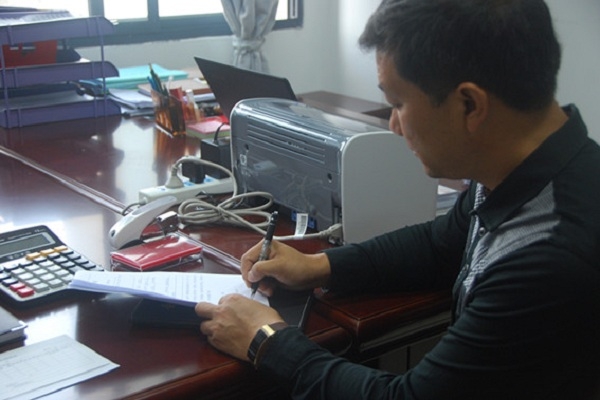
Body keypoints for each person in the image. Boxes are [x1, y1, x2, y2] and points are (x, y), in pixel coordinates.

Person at [195, 0, 600, 398]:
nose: (393, 125)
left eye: (398, 104)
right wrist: (317, 266)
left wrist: (265, 340)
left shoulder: (549, 257)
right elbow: (441, 244)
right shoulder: (522, 164)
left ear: (470, 105)